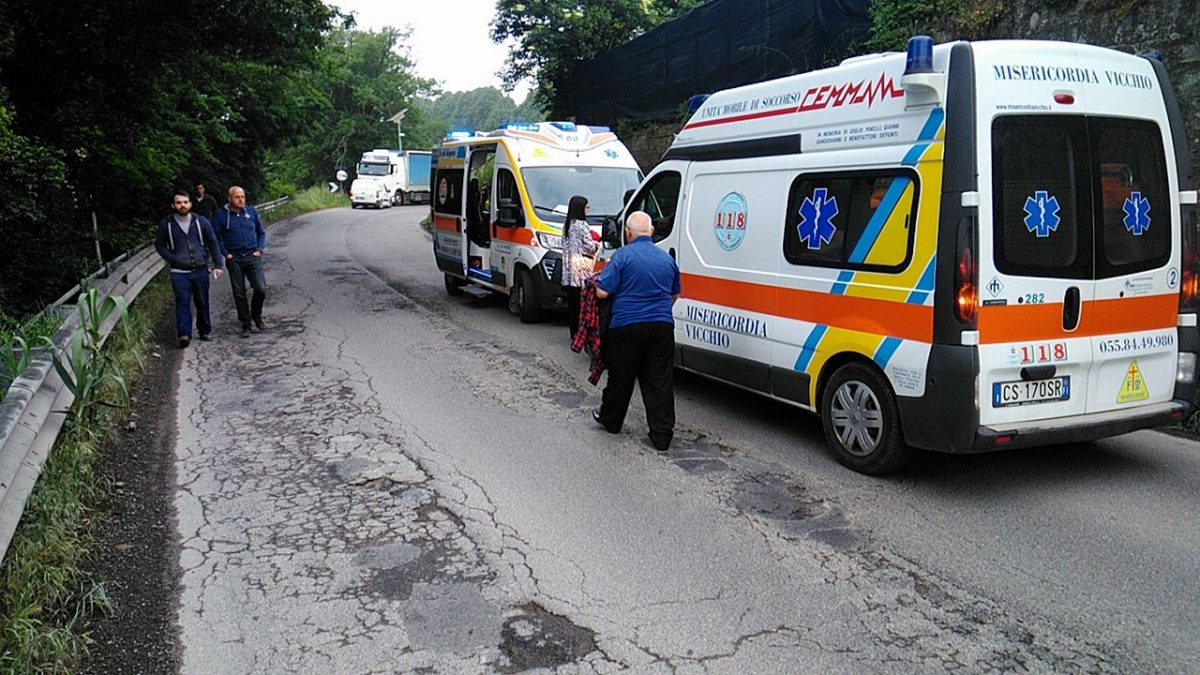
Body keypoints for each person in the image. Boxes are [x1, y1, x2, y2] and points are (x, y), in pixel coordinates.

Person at [591, 211, 681, 452]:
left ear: (628, 233)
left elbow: (602, 292)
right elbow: (674, 294)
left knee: (621, 376)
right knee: (660, 380)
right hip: (662, 326)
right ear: (651, 232)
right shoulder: (666, 259)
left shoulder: (621, 256)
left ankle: (611, 421)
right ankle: (662, 436)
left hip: (626, 326)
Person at [154, 190, 225, 348]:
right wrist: (173, 258)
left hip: (200, 269)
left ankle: (204, 330)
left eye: (185, 202)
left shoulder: (201, 222)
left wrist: (218, 265)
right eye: (178, 203)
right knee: (182, 302)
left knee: (202, 301)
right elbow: (159, 245)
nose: (182, 205)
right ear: (173, 205)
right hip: (179, 272)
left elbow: (213, 243)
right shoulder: (167, 224)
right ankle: (184, 333)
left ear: (190, 204)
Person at [212, 185, 268, 337]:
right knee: (239, 293)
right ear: (229, 198)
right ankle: (246, 325)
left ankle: (256, 314)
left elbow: (261, 232)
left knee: (261, 288)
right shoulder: (221, 215)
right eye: (237, 197)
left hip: (252, 255)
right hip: (235, 258)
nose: (241, 199)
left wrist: (260, 249)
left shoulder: (251, 212)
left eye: (243, 196)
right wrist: (225, 254)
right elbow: (215, 237)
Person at [561, 195, 598, 340]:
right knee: (583, 305)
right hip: (581, 270)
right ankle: (582, 334)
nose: (588, 210)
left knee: (572, 305)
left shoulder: (567, 225)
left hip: (569, 270)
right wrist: (596, 244)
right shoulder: (582, 225)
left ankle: (573, 333)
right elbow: (589, 247)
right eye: (587, 207)